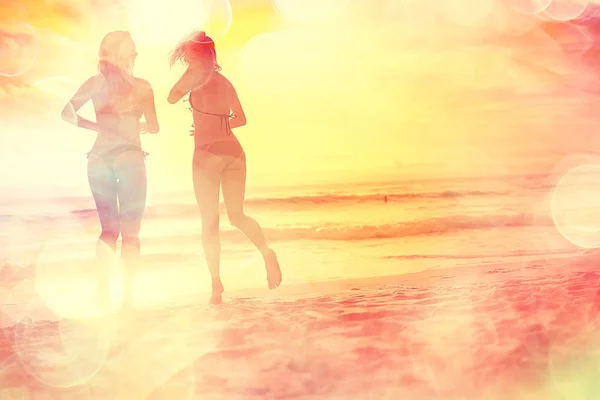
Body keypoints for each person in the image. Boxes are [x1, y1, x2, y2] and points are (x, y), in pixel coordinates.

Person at [167, 31, 281, 305]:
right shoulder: (225, 81)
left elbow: (171, 97)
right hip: (233, 151)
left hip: (206, 154)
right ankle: (267, 253)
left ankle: (216, 285)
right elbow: (241, 119)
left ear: (196, 55)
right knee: (237, 215)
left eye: (189, 55)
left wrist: (190, 74)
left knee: (210, 222)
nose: (187, 60)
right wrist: (220, 124)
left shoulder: (193, 78)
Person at [61, 31, 159, 310]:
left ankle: (102, 295)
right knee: (131, 234)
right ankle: (128, 299)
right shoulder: (142, 86)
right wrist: (140, 125)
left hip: (99, 157)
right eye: (134, 50)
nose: (137, 54)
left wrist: (97, 126)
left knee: (108, 232)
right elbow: (154, 126)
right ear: (125, 55)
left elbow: (66, 112)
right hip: (129, 156)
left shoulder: (95, 82)